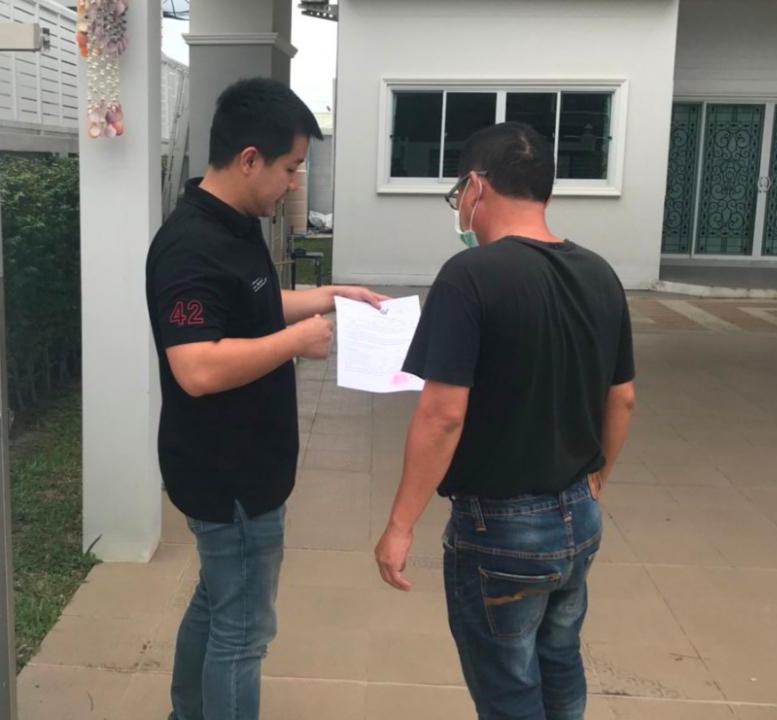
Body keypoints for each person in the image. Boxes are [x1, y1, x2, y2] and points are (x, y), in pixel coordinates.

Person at [373, 122, 637, 720]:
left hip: (501, 531)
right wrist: (597, 478)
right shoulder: (599, 273)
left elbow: (443, 416)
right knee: (560, 662)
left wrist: (400, 525)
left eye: (457, 194)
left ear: (475, 186)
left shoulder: (469, 276)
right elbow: (622, 399)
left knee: (510, 690)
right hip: (580, 518)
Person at [145, 77, 387, 720]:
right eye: (290, 167)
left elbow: (250, 305)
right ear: (249, 159)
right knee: (243, 633)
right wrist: (296, 343)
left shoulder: (235, 225)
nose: (293, 182)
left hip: (244, 467)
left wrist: (329, 296)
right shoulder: (190, 247)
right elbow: (196, 366)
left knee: (218, 601)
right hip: (229, 475)